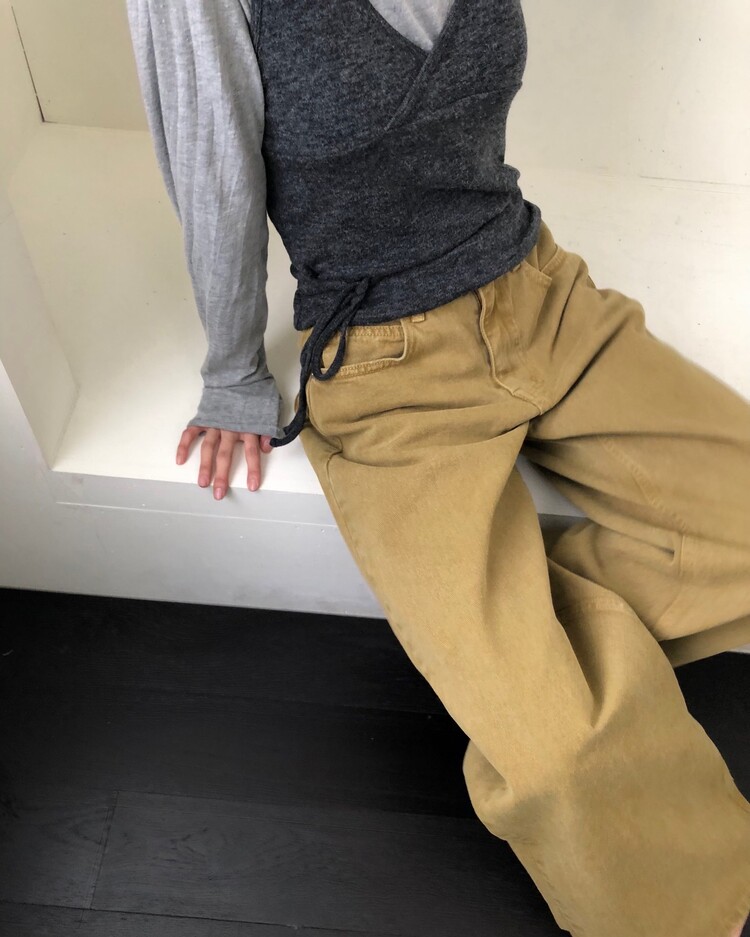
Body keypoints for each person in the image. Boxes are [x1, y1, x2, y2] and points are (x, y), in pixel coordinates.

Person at [125, 2, 750, 935]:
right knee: (559, 761)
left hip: (540, 290)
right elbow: (212, 161)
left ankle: (519, 655)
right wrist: (233, 373)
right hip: (388, 366)